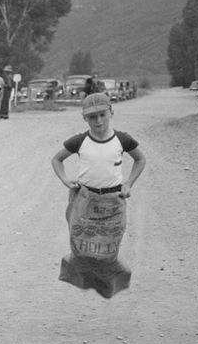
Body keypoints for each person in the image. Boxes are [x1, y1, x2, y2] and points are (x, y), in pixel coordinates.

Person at [51, 92, 147, 298]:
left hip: (113, 203)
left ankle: (108, 284)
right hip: (85, 201)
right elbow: (57, 160)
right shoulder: (79, 141)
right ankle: (82, 280)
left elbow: (140, 159)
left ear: (111, 112)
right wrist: (65, 179)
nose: (98, 121)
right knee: (82, 247)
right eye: (92, 117)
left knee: (108, 251)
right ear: (84, 118)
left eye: (102, 115)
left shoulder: (122, 140)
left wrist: (129, 183)